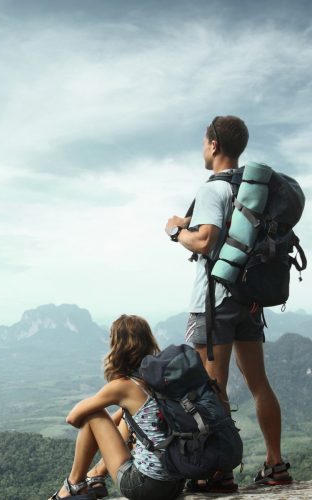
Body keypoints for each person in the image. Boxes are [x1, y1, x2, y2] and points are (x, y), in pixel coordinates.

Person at [164, 115, 291, 491]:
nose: (203, 148)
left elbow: (204, 241)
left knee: (211, 387)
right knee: (259, 384)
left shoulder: (212, 190)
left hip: (215, 301)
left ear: (214, 144)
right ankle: (275, 464)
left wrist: (175, 231)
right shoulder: (254, 191)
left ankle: (218, 471)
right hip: (250, 300)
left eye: (205, 141)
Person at [50, 314, 185, 500]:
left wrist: (98, 417)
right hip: (175, 484)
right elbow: (123, 421)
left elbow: (73, 418)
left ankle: (73, 486)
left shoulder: (124, 386)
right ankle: (95, 477)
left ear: (118, 347)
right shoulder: (158, 380)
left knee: (94, 413)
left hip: (145, 487)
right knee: (125, 414)